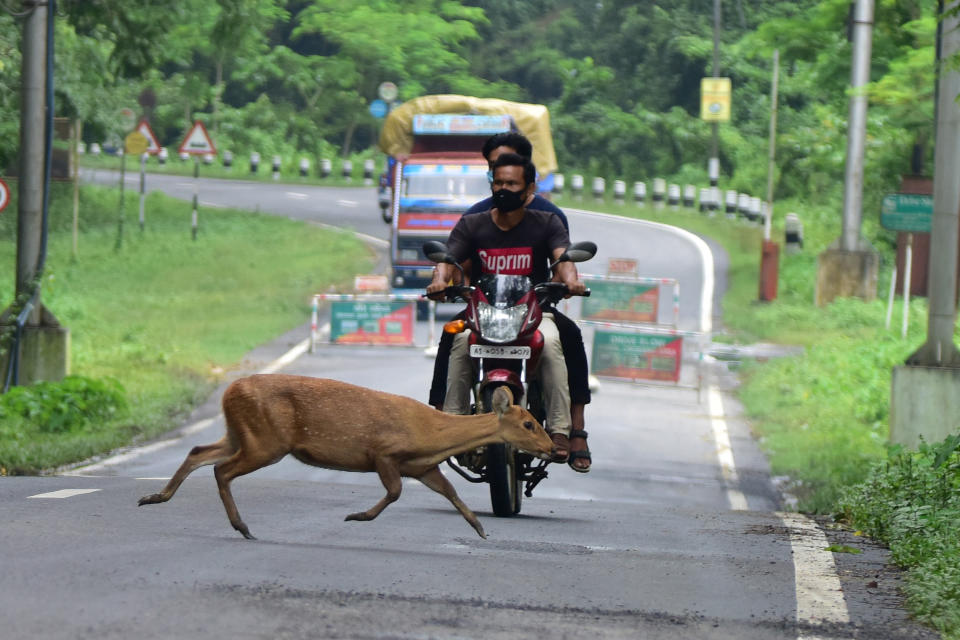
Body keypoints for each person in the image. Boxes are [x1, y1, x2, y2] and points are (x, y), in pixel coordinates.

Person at [428, 132, 592, 472]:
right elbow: (449, 257)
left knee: (554, 342)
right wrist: (439, 281)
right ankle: (446, 423)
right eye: (497, 181)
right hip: (483, 309)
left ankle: (563, 430)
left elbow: (563, 257)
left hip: (534, 311)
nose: (503, 189)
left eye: (512, 184)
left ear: (529, 188)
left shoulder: (547, 220)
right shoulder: (473, 221)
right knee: (456, 339)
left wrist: (572, 281)